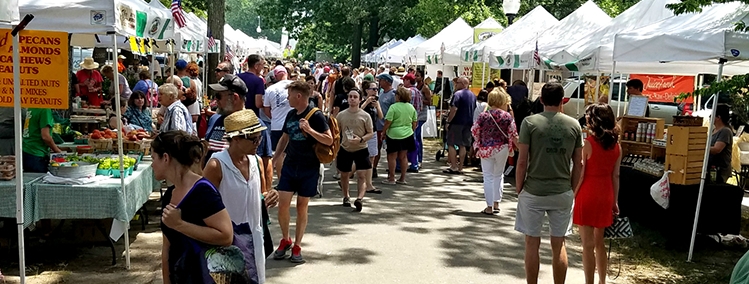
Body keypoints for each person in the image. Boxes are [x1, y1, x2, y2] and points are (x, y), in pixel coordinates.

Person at [515, 82, 583, 284]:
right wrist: (572, 188)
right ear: (562, 100)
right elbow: (578, 163)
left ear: (541, 100)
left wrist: (519, 187)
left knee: (531, 242)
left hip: (534, 189)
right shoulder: (574, 125)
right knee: (559, 243)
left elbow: (521, 160)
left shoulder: (529, 123)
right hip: (562, 190)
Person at [203, 109, 280, 284]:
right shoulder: (216, 165)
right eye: (253, 139)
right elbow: (204, 206)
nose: (258, 143)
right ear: (236, 139)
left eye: (260, 138)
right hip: (228, 242)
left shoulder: (256, 161)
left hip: (254, 236)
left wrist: (269, 196)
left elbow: (260, 194)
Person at [156, 131, 233, 283]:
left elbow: (226, 236)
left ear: (165, 158)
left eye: (153, 158)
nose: (152, 164)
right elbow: (167, 247)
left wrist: (180, 224)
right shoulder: (170, 194)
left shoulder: (202, 190)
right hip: (181, 276)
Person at [273, 81, 333, 263]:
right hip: (291, 164)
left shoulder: (316, 115)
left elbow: (329, 140)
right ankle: (286, 239)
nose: (287, 98)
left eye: (290, 95)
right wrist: (275, 158)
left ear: (299, 96)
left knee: (301, 206)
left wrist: (309, 130)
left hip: (309, 166)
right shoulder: (291, 114)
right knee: (282, 204)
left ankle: (298, 245)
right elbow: (285, 137)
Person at [573, 103, 622, 284]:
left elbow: (581, 174)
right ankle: (602, 280)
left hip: (587, 193)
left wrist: (573, 196)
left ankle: (589, 282)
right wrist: (615, 200)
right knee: (599, 243)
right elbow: (616, 175)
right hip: (606, 193)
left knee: (587, 245)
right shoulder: (617, 146)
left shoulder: (588, 144)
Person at [472, 90, 517, 215]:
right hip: (502, 148)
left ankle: (489, 206)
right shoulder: (507, 116)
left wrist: (478, 143)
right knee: (499, 174)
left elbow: (475, 130)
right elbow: (513, 133)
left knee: (488, 176)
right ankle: (497, 202)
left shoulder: (483, 115)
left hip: (486, 148)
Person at [336, 88, 374, 211]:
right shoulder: (341, 115)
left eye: (355, 97)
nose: (352, 99)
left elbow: (370, 133)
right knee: (344, 174)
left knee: (362, 175)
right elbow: (336, 132)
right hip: (345, 148)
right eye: (350, 96)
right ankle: (346, 196)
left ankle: (359, 199)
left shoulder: (365, 116)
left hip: (361, 148)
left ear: (360, 100)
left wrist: (361, 139)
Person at [382, 87, 418, 185]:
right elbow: (414, 122)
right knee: (403, 156)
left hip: (394, 134)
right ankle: (402, 178)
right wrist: (412, 130)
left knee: (392, 157)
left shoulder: (393, 107)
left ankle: (392, 178)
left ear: (398, 96)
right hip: (407, 134)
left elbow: (388, 121)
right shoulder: (411, 107)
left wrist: (383, 132)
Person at [444, 77, 476, 174]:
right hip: (468, 123)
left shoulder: (457, 94)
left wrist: (448, 121)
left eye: (457, 83)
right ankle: (461, 166)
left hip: (457, 123)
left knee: (451, 143)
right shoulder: (473, 95)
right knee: (463, 145)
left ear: (462, 83)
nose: (455, 85)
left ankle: (454, 166)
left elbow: (454, 109)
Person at [373, 74, 397, 178]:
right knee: (376, 149)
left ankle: (391, 172)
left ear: (387, 81)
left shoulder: (393, 94)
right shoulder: (382, 92)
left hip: (387, 126)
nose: (379, 82)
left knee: (390, 151)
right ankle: (373, 168)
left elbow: (394, 110)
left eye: (381, 80)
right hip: (378, 125)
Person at [264, 67, 293, 151]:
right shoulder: (295, 86)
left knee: (278, 152)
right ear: (287, 74)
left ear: (275, 77)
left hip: (276, 126)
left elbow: (266, 110)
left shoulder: (270, 89)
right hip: (293, 125)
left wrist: (275, 117)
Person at [361, 81, 383, 192]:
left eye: (376, 89)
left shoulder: (376, 102)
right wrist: (366, 102)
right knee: (362, 158)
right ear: (366, 90)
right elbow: (357, 112)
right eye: (373, 89)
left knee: (372, 156)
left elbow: (380, 116)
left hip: (373, 132)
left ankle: (368, 184)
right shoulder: (361, 100)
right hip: (362, 133)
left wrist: (377, 106)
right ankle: (346, 175)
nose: (375, 91)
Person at [709, 104, 734, 183]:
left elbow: (717, 149)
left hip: (720, 170)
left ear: (718, 117)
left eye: (712, 115)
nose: (710, 117)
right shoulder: (713, 130)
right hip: (712, 168)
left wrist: (700, 148)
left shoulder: (725, 131)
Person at [414, 69, 432, 166]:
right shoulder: (415, 86)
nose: (416, 77)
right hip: (415, 115)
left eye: (417, 76)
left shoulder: (425, 88)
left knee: (417, 136)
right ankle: (415, 158)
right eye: (415, 76)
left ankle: (419, 159)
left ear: (421, 77)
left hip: (421, 115)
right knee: (415, 137)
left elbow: (429, 102)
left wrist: (419, 100)